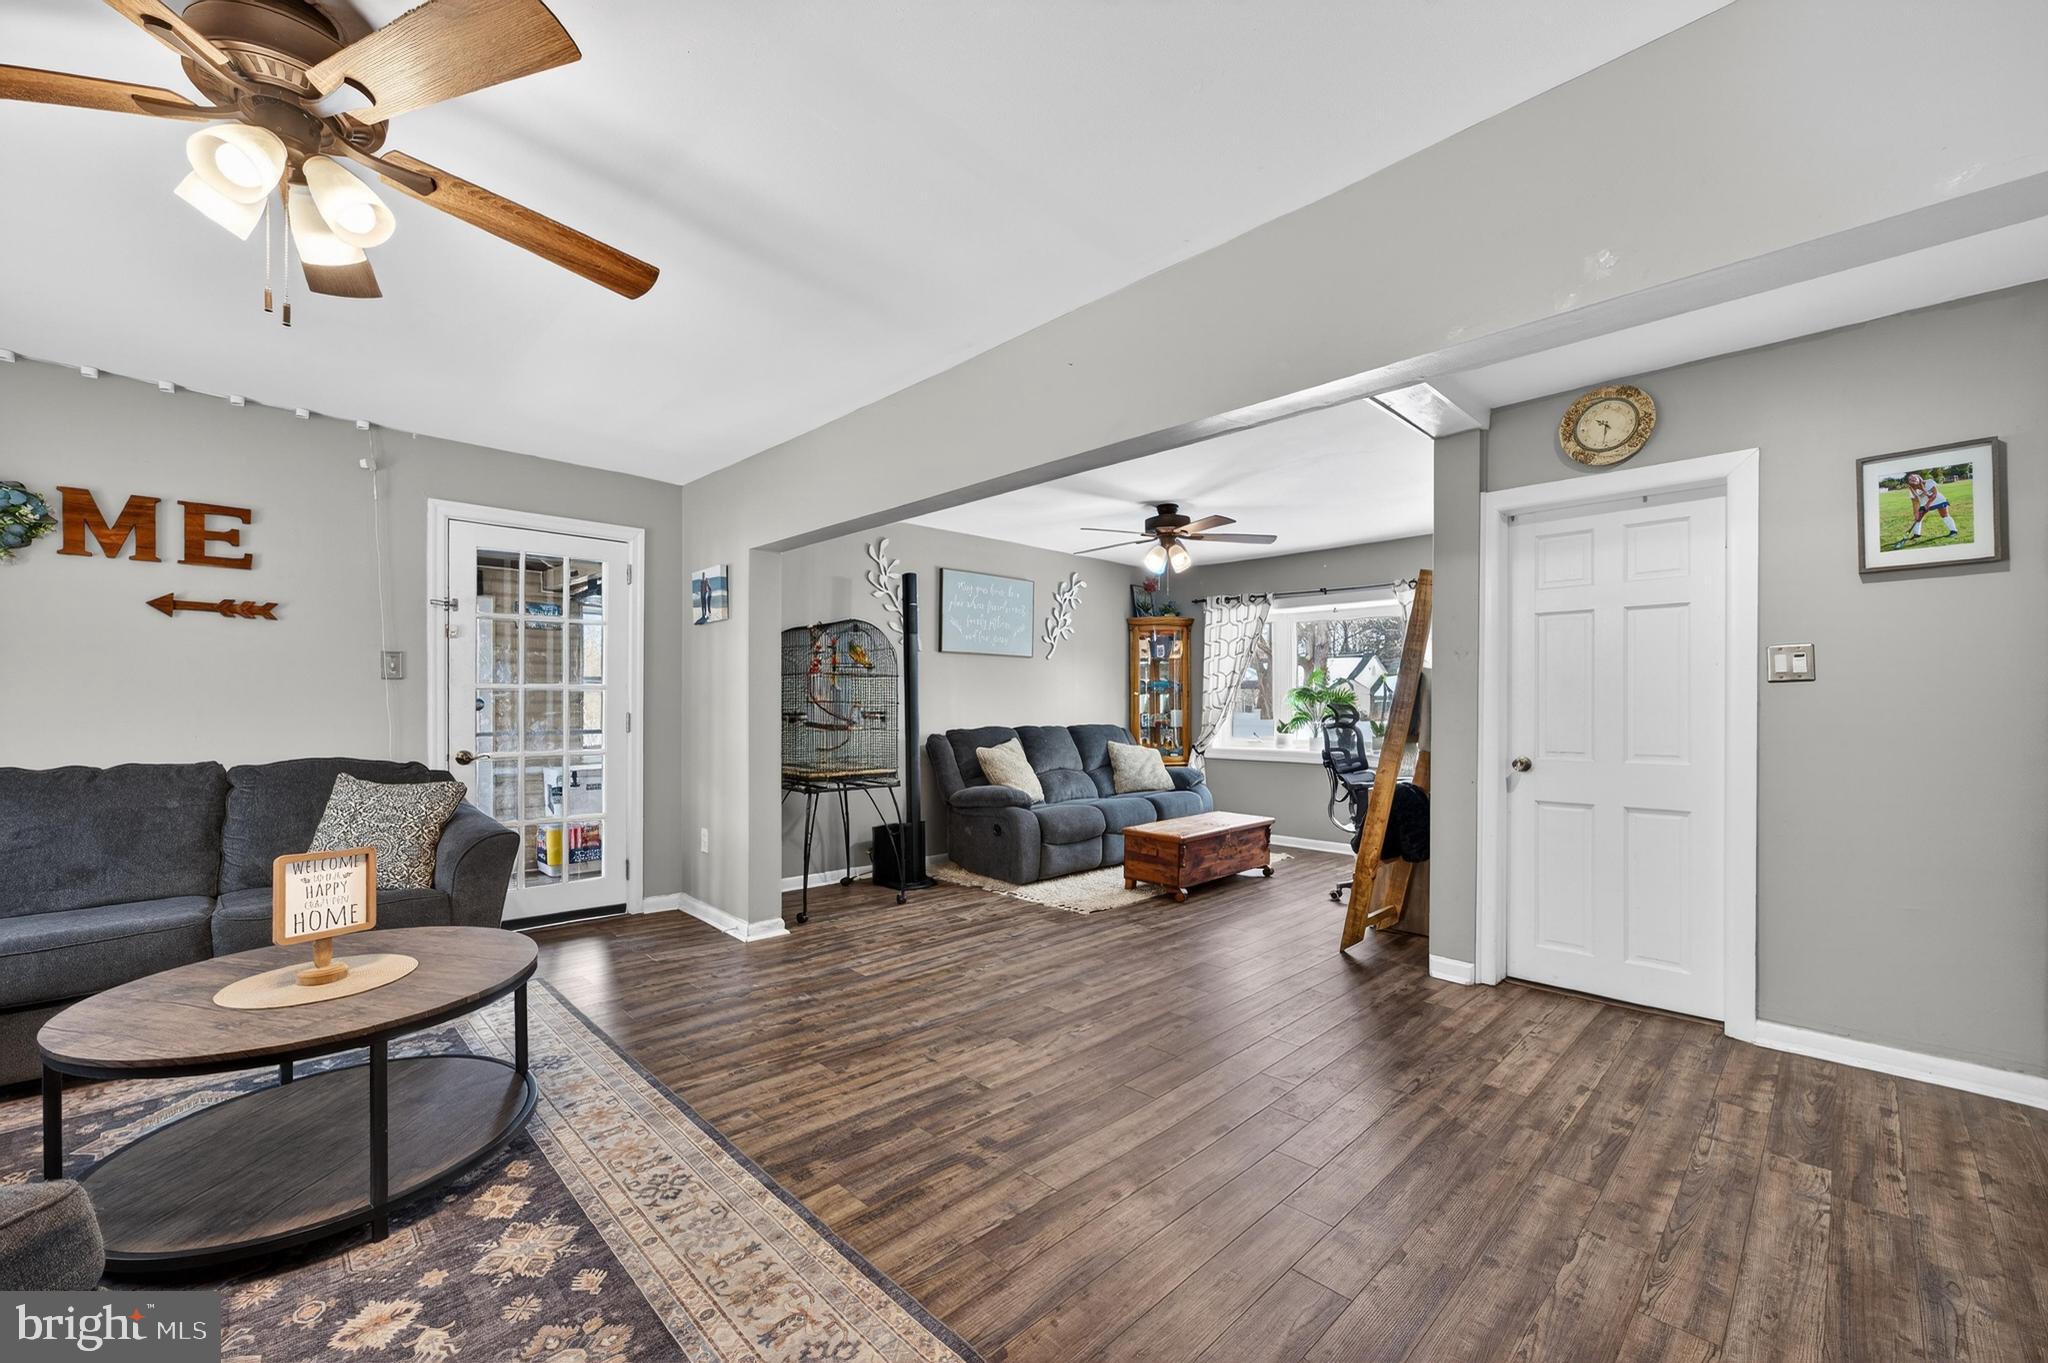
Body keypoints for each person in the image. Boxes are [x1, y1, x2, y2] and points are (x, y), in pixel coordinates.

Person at [1904, 472, 1959, 541]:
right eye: (1910, 479)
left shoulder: (1929, 482)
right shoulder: (1911, 490)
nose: (1913, 478)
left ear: (1918, 477)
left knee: (1944, 515)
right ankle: (1916, 534)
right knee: (1918, 518)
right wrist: (1916, 513)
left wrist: (1927, 505)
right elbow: (1915, 502)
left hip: (1938, 500)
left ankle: (1954, 531)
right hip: (1924, 504)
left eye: (1914, 477)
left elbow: (1934, 494)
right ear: (1909, 482)